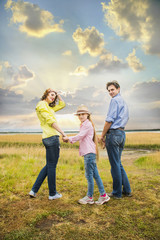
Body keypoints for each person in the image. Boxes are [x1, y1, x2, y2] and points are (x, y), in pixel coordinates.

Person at [63, 105, 110, 205]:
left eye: (83, 114)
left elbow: (80, 136)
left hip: (89, 154)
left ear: (87, 115)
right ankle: (103, 195)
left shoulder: (86, 124)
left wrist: (69, 139)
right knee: (95, 175)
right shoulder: (86, 124)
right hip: (89, 153)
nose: (80, 116)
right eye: (79, 115)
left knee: (89, 176)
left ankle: (89, 197)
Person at [29, 88, 67, 200]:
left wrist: (58, 94)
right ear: (46, 94)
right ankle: (52, 193)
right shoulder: (42, 104)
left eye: (54, 96)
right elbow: (50, 121)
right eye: (51, 94)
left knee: (49, 165)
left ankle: (34, 190)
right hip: (51, 137)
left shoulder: (50, 107)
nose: (53, 97)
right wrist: (63, 133)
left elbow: (63, 104)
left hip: (49, 137)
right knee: (51, 166)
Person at [100, 81, 131, 199]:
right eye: (108, 91)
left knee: (115, 165)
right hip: (122, 133)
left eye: (112, 89)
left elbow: (109, 120)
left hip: (114, 134)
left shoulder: (115, 100)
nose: (110, 92)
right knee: (118, 163)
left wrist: (102, 135)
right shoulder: (123, 101)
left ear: (118, 89)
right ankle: (127, 190)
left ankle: (117, 193)